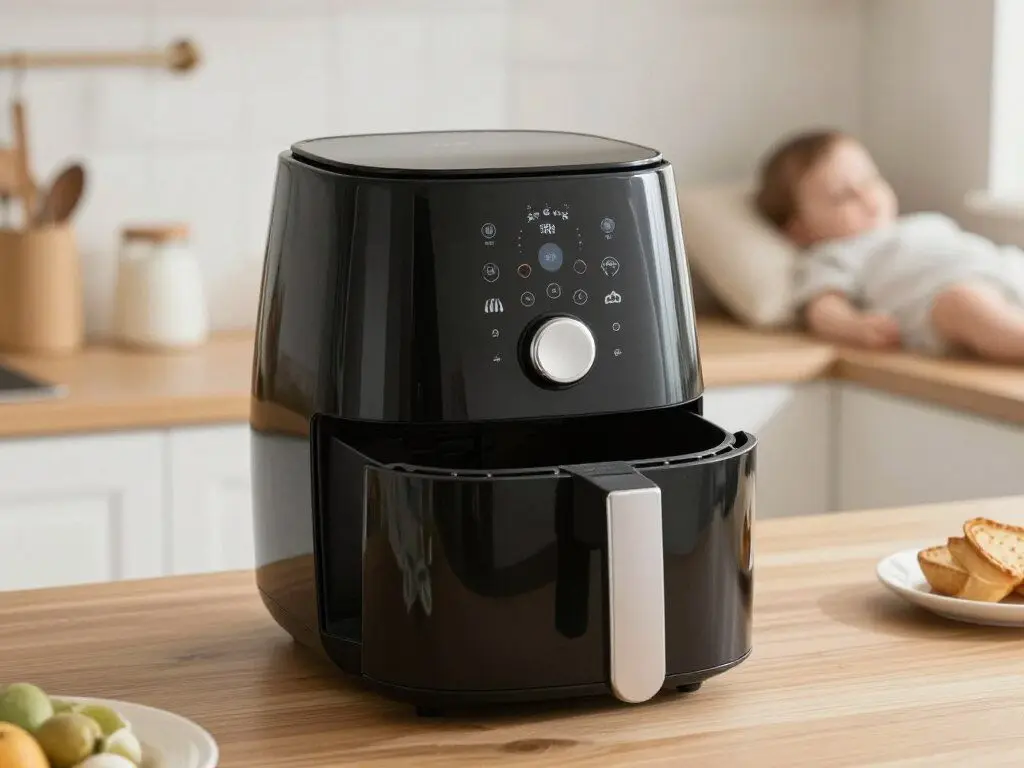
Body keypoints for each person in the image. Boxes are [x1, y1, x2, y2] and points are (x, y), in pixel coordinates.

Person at [754, 129, 1024, 361]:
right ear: (800, 229)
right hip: (947, 297)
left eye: (869, 180)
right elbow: (823, 307)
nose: (866, 196)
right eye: (842, 196)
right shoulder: (833, 254)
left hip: (1007, 268)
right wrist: (854, 326)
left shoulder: (919, 222)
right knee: (966, 306)